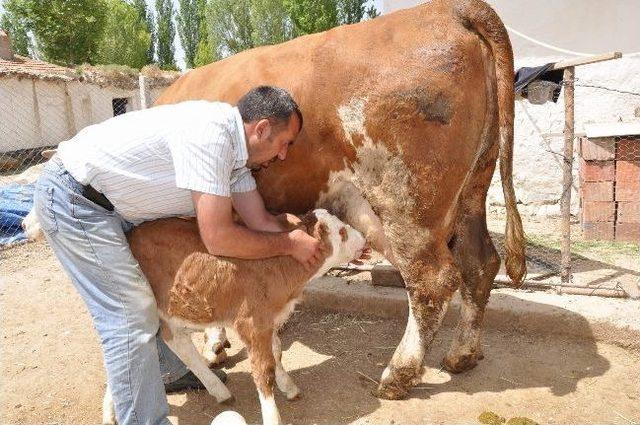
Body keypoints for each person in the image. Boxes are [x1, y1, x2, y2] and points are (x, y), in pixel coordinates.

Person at [33, 86, 323, 425]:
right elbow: (218, 239)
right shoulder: (212, 137)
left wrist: (305, 238)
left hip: (114, 206)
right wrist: (289, 245)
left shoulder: (237, 160)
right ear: (260, 129)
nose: (285, 155)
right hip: (75, 200)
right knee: (131, 313)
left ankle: (167, 371)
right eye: (285, 143)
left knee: (144, 298)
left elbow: (259, 221)